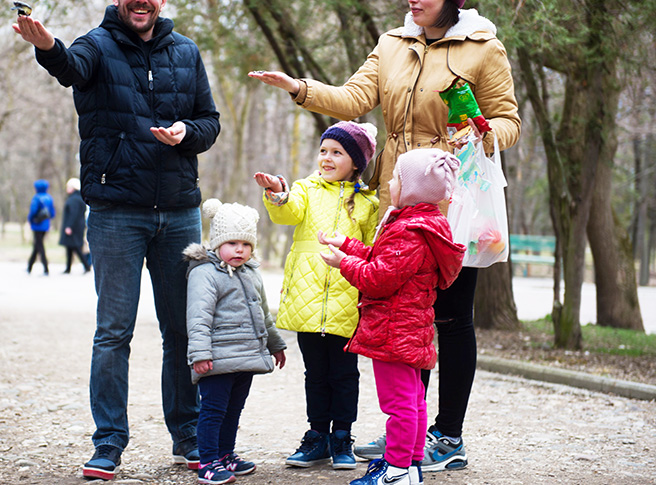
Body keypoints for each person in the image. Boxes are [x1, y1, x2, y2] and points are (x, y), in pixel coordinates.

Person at [249, 0, 521, 472]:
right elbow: (354, 98)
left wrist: (484, 134)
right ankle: (410, 432)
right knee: (407, 318)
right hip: (396, 199)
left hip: (451, 200)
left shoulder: (485, 49)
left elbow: (508, 121)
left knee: (451, 316)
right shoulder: (392, 45)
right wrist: (300, 89)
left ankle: (447, 435)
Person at [13, 0, 221, 481]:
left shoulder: (185, 51)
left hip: (177, 212)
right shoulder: (97, 45)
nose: (141, 0)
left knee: (182, 331)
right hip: (115, 213)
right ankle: (108, 443)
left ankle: (188, 437)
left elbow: (209, 121)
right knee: (113, 332)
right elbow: (70, 68)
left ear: (163, 0)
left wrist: (185, 134)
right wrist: (46, 47)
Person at [319, 148, 466, 485]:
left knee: (399, 404)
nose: (389, 181)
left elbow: (378, 278)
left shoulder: (408, 230)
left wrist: (344, 264)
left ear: (413, 188)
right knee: (413, 400)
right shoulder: (422, 224)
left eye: (396, 177)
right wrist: (348, 244)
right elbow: (385, 258)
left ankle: (396, 470)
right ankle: (410, 466)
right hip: (409, 328)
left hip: (392, 330)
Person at [253, 120, 379, 471]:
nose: (326, 157)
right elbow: (286, 212)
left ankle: (342, 436)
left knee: (344, 373)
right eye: (323, 150)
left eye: (337, 152)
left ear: (356, 161)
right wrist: (278, 193)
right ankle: (317, 435)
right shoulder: (306, 189)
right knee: (315, 373)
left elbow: (371, 250)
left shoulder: (367, 201)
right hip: (307, 301)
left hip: (346, 301)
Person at [184, 199, 287, 484]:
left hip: (246, 356)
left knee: (233, 409)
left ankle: (225, 454)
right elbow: (198, 317)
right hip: (216, 358)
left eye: (245, 244)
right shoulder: (205, 274)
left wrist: (275, 344)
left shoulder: (251, 273)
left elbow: (262, 313)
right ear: (217, 243)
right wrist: (200, 353)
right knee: (214, 410)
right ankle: (207, 461)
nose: (239, 249)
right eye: (232, 243)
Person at [59, 178, 91, 274]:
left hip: (73, 227)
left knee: (76, 247)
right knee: (70, 247)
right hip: (78, 226)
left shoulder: (74, 199)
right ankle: (68, 267)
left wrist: (69, 226)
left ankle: (86, 265)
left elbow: (73, 214)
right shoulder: (79, 198)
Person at [27, 179, 56, 276]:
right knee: (37, 245)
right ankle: (29, 267)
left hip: (37, 225)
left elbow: (33, 211)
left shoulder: (36, 198)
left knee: (40, 246)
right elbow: (52, 213)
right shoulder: (49, 198)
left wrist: (30, 220)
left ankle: (46, 268)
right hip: (45, 225)